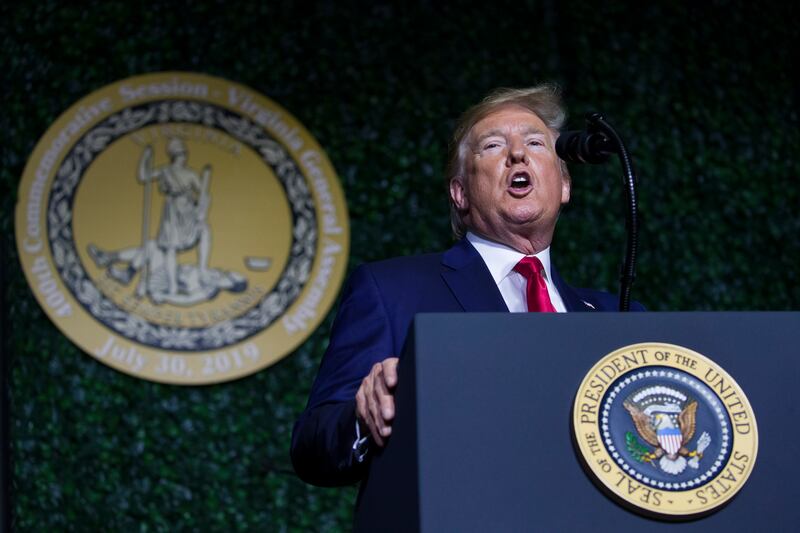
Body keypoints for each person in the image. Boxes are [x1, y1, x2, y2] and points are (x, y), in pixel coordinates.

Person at [291, 84, 643, 487]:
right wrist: (361, 415)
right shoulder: (390, 290)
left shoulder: (619, 315)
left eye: (535, 142)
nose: (517, 153)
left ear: (564, 186)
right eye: (493, 146)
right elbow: (311, 446)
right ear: (460, 193)